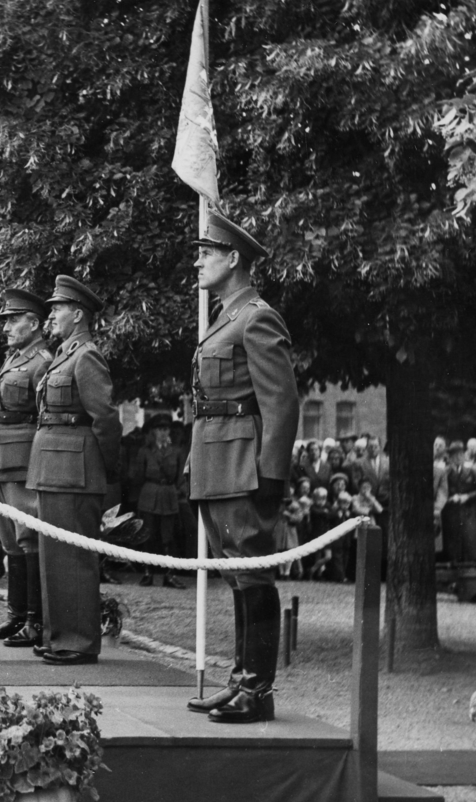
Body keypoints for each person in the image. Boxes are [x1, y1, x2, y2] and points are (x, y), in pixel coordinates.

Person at [184, 210, 300, 724]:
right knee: (236, 575)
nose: (198, 262)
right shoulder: (225, 317)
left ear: (233, 259)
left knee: (252, 573)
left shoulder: (256, 316)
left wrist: (272, 474)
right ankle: (239, 681)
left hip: (242, 463)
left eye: (206, 254)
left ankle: (257, 690)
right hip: (217, 460)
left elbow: (282, 403)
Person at [26, 275, 121, 666]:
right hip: (53, 466)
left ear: (78, 314)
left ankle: (79, 641)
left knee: (74, 559)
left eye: (58, 308)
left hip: (76, 469)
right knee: (53, 557)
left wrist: (106, 472)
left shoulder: (86, 356)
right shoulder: (64, 354)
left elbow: (105, 419)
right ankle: (58, 635)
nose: (52, 316)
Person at [0, 289, 53, 647]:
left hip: (22, 462)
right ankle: (17, 616)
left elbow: (45, 419)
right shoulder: (14, 359)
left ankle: (35, 621)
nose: (6, 328)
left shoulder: (42, 362)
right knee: (10, 541)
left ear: (34, 323)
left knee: (28, 539)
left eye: (13, 320)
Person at [129, 413, 187, 588]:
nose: (163, 433)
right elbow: (138, 477)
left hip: (169, 496)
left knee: (169, 537)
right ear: (153, 432)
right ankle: (148, 573)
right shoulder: (145, 451)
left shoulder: (177, 451)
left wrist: (179, 492)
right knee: (148, 536)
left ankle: (170, 575)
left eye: (166, 429)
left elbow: (181, 477)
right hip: (149, 495)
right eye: (159, 429)